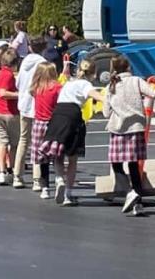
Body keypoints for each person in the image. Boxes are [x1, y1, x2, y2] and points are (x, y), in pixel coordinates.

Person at [103, 56, 155, 216]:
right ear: (128, 67)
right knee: (134, 165)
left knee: (116, 163)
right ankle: (138, 202)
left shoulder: (111, 86)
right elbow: (153, 93)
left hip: (118, 129)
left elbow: (106, 112)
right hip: (136, 127)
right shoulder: (136, 81)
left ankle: (130, 192)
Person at [38, 60, 105, 206]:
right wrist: (108, 99)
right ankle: (68, 194)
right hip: (73, 115)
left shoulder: (69, 83)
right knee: (72, 158)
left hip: (58, 114)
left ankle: (59, 179)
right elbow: (95, 95)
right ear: (93, 73)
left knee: (58, 154)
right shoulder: (86, 84)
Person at [13, 36, 49, 190]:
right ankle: (36, 179)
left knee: (23, 140)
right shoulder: (43, 64)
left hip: (24, 105)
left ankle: (17, 176)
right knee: (38, 143)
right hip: (38, 106)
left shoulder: (24, 63)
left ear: (29, 47)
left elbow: (18, 83)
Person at [29, 62, 61, 199]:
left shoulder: (36, 88)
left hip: (38, 124)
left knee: (42, 158)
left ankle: (45, 188)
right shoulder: (57, 88)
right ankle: (59, 179)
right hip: (53, 123)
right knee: (57, 154)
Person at [0, 48, 20, 186]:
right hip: (8, 112)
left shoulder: (1, 74)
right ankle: (12, 170)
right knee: (14, 144)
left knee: (2, 142)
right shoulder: (8, 75)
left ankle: (2, 172)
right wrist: (20, 95)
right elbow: (3, 93)